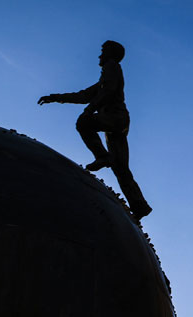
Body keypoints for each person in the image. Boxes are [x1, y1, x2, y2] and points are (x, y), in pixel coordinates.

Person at [39, 40, 152, 219]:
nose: (99, 56)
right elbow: (83, 95)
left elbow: (108, 90)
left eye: (102, 51)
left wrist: (89, 110)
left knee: (84, 123)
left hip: (114, 117)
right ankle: (139, 205)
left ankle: (101, 156)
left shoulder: (111, 66)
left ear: (110, 54)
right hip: (118, 123)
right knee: (120, 168)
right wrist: (55, 97)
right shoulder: (103, 79)